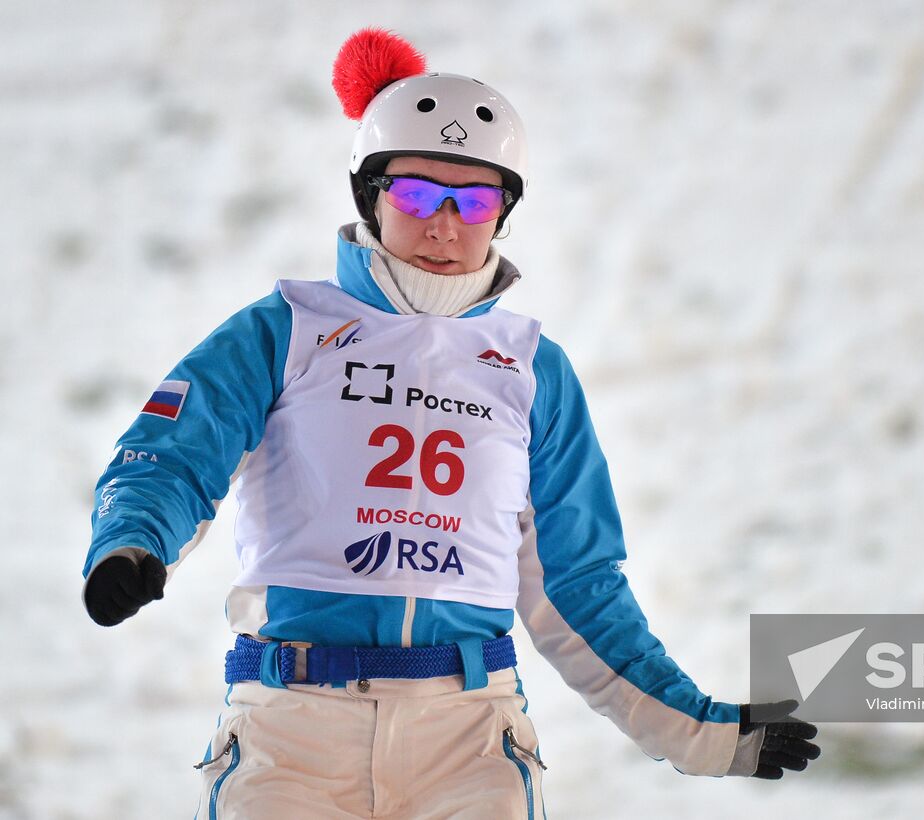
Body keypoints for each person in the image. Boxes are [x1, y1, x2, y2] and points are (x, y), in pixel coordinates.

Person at [81, 28, 819, 819]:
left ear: (503, 213)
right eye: (415, 195)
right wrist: (132, 543)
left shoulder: (535, 370)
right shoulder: (283, 329)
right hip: (288, 734)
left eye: (473, 201)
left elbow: (578, 588)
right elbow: (169, 459)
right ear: (370, 196)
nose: (443, 225)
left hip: (468, 741)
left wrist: (702, 733)